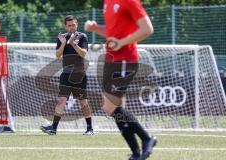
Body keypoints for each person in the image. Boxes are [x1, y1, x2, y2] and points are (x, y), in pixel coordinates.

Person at [85, 0, 157, 159]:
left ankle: (147, 139)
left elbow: (147, 29)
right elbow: (113, 32)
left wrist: (122, 43)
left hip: (125, 59)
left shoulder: (129, 1)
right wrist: (96, 29)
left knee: (110, 106)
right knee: (112, 107)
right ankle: (136, 153)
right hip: (112, 59)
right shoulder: (108, 2)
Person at [40, 15, 94, 136]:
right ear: (66, 26)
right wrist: (64, 43)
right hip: (66, 75)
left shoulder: (82, 37)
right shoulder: (61, 38)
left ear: (77, 24)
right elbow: (58, 55)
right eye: (69, 25)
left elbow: (84, 54)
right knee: (61, 100)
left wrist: (73, 44)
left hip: (79, 75)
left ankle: (90, 128)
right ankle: (53, 128)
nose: (71, 27)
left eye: (73, 25)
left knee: (83, 102)